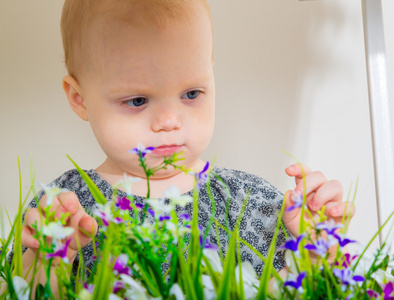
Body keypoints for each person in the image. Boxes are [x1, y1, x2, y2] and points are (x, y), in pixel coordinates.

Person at [18, 0, 355, 294]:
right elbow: (21, 292)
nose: (169, 120)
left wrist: (316, 246)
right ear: (80, 99)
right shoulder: (67, 207)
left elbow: (285, 290)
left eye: (191, 94)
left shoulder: (248, 202)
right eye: (137, 100)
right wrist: (47, 259)